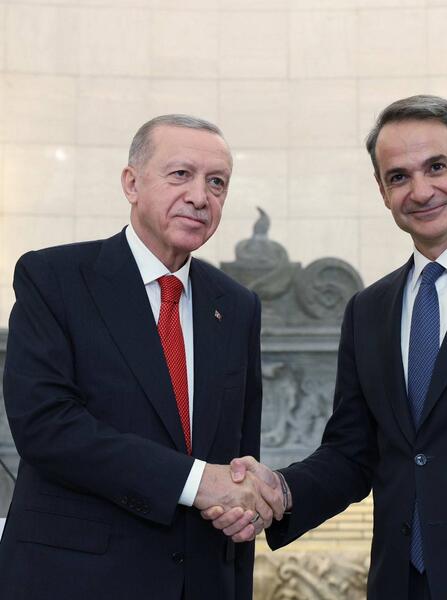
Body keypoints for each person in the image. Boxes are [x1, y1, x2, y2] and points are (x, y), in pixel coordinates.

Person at [204, 96, 447, 599]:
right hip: (400, 584)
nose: (421, 190)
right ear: (383, 191)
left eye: (436, 166)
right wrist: (281, 490)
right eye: (399, 176)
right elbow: (352, 454)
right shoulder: (369, 309)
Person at [0, 115, 282, 600]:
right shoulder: (54, 277)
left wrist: (245, 510)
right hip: (74, 580)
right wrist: (197, 482)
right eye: (181, 174)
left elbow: (237, 454)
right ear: (131, 183)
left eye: (217, 182)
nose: (200, 196)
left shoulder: (236, 306)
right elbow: (46, 426)